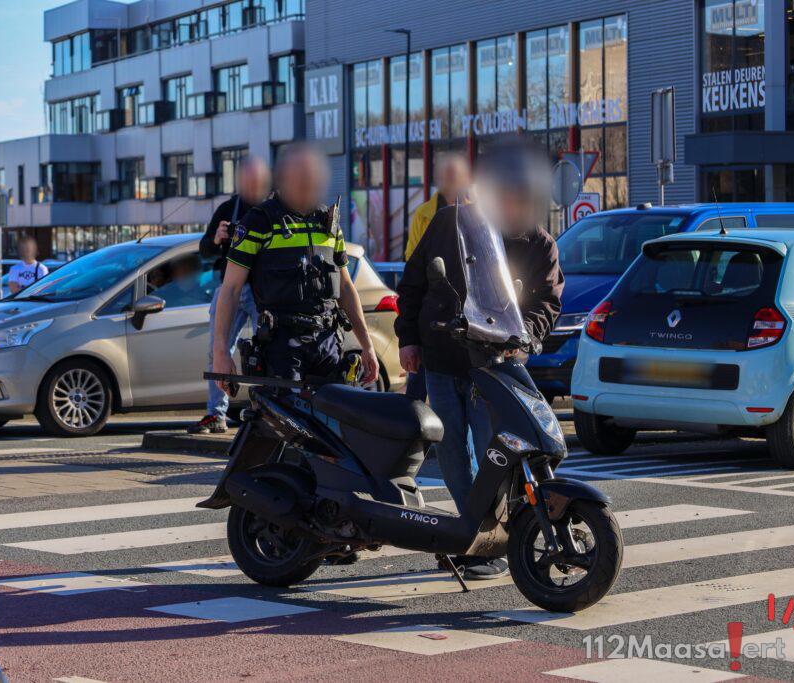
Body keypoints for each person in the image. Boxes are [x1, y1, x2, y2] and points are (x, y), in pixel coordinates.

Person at [394, 139, 563, 579]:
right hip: (441, 358)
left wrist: (524, 336)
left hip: (495, 365)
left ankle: (491, 540)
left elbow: (547, 301)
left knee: (497, 455)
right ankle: (474, 536)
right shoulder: (450, 223)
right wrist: (408, 339)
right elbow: (412, 283)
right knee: (452, 455)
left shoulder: (540, 245)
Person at [212, 142, 379, 389]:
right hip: (282, 348)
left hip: (327, 345)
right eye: (300, 178)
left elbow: (345, 287)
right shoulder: (259, 222)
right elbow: (231, 289)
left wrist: (367, 346)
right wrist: (220, 354)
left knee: (334, 413)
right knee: (283, 413)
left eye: (312, 179)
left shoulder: (328, 223)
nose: (307, 185)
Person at [190, 156, 271, 434]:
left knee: (269, 352)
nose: (252, 185)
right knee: (218, 349)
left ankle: (271, 412)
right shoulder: (227, 209)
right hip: (229, 289)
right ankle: (216, 415)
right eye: (247, 180)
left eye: (257, 180)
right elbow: (204, 250)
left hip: (263, 291)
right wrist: (217, 239)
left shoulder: (273, 209)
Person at [403, 152, 471, 401]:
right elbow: (413, 271)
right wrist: (410, 336)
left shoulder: (479, 210)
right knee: (416, 396)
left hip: (471, 322)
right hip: (432, 322)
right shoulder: (423, 214)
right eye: (446, 174)